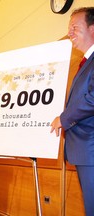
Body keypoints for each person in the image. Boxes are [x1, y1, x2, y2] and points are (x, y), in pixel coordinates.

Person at [51, 7, 94, 216]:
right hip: (84, 150)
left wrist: (64, 118)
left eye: (75, 27)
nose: (69, 33)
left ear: (93, 29)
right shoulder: (85, 62)